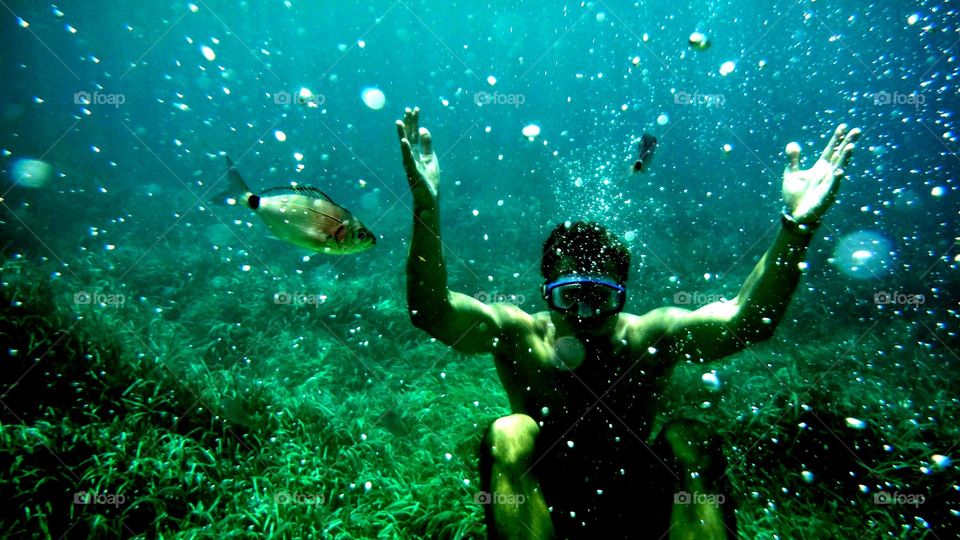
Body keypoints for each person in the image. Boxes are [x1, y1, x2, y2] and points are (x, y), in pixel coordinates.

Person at [396, 107, 859, 539]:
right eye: (569, 298)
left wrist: (796, 229)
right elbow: (431, 311)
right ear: (545, 292)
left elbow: (747, 321)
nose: (585, 315)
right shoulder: (519, 335)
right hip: (547, 509)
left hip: (642, 508)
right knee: (509, 431)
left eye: (601, 298)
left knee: (691, 437)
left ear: (624, 294)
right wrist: (427, 205)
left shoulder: (648, 337)